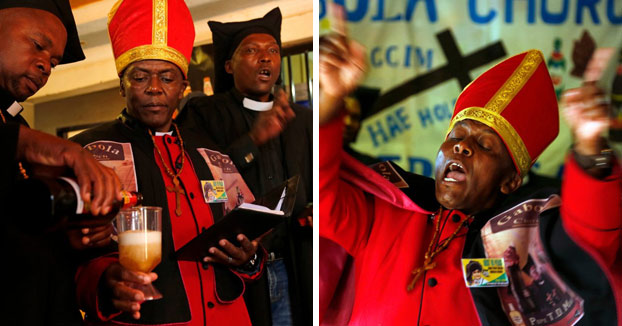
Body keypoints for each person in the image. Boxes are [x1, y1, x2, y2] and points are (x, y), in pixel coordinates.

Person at [319, 27, 621, 326]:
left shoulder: (521, 242)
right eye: (456, 136)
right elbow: (321, 198)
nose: (461, 146)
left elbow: (591, 238)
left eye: (485, 145)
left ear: (510, 181)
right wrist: (331, 96)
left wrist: (590, 145)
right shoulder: (387, 211)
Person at [71, 0, 266, 324]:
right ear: (122, 84)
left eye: (167, 77)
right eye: (140, 77)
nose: (154, 89)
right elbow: (64, 256)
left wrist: (248, 257)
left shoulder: (211, 153)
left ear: (183, 88)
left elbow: (249, 233)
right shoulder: (86, 152)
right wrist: (105, 282)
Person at [177, 7, 312, 326]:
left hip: (295, 265)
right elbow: (197, 183)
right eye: (251, 50)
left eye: (273, 51)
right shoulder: (204, 114)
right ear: (228, 65)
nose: (265, 58)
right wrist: (253, 140)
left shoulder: (302, 119)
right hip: (234, 270)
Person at [0, 1, 123, 325]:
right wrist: (39, 145)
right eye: (38, 45)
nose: (45, 66)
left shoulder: (16, 122)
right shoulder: (20, 135)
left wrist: (68, 237)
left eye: (53, 62)